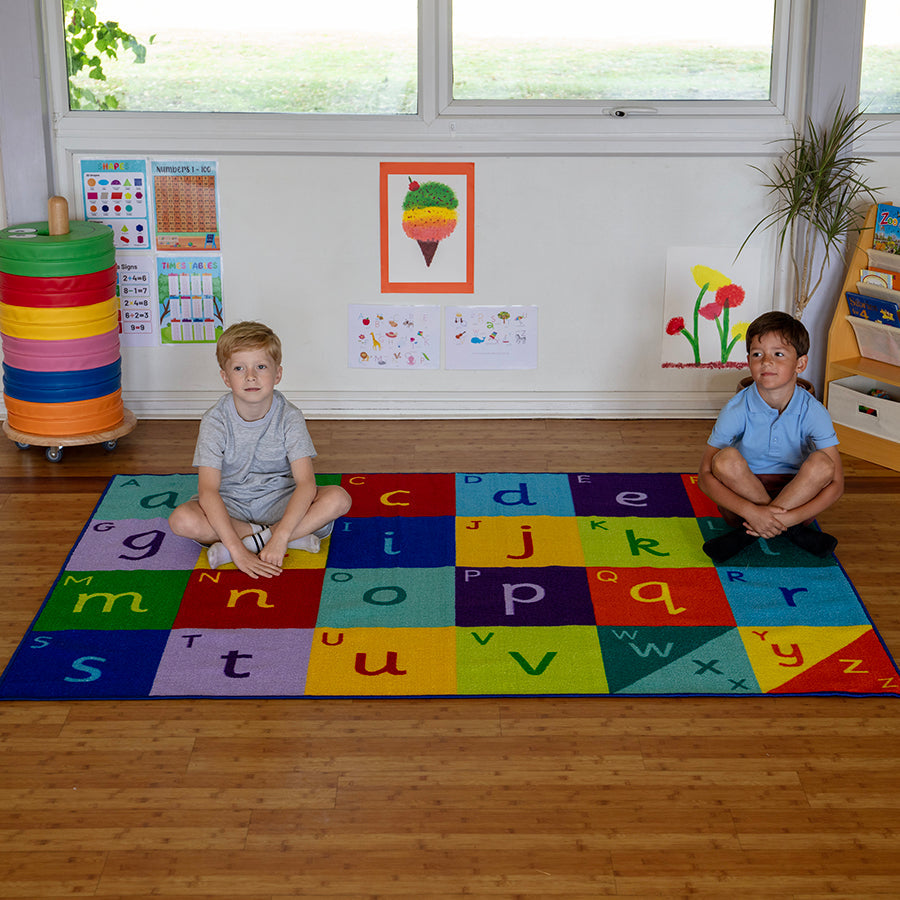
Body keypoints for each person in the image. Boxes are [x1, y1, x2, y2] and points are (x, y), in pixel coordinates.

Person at [168, 321, 352, 578]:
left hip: (282, 502)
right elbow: (208, 491)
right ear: (225, 377)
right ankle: (278, 538)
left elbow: (306, 484)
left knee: (339, 498)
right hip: (232, 507)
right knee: (181, 519)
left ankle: (263, 539)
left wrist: (280, 535)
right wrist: (238, 550)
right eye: (239, 368)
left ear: (277, 374)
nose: (250, 376)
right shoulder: (214, 420)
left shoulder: (290, 417)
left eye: (261, 367)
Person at [698, 311, 843, 564]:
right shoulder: (736, 409)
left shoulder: (814, 412)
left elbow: (836, 483)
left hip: (797, 502)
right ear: (749, 361)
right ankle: (792, 534)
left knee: (823, 463)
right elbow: (705, 476)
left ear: (800, 364)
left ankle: (750, 536)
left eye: (778, 354)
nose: (766, 362)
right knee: (724, 459)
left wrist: (789, 518)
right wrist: (752, 511)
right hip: (742, 503)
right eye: (757, 354)